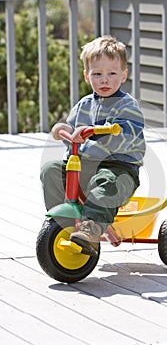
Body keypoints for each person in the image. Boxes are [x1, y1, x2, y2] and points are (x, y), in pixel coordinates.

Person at [40, 35, 146, 255]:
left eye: (112, 73)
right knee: (50, 170)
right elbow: (71, 128)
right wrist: (62, 129)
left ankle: (92, 227)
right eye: (97, 74)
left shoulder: (127, 105)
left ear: (123, 75)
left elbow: (129, 132)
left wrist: (97, 132)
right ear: (87, 77)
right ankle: (64, 223)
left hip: (118, 169)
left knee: (104, 182)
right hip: (82, 166)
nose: (104, 80)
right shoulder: (83, 105)